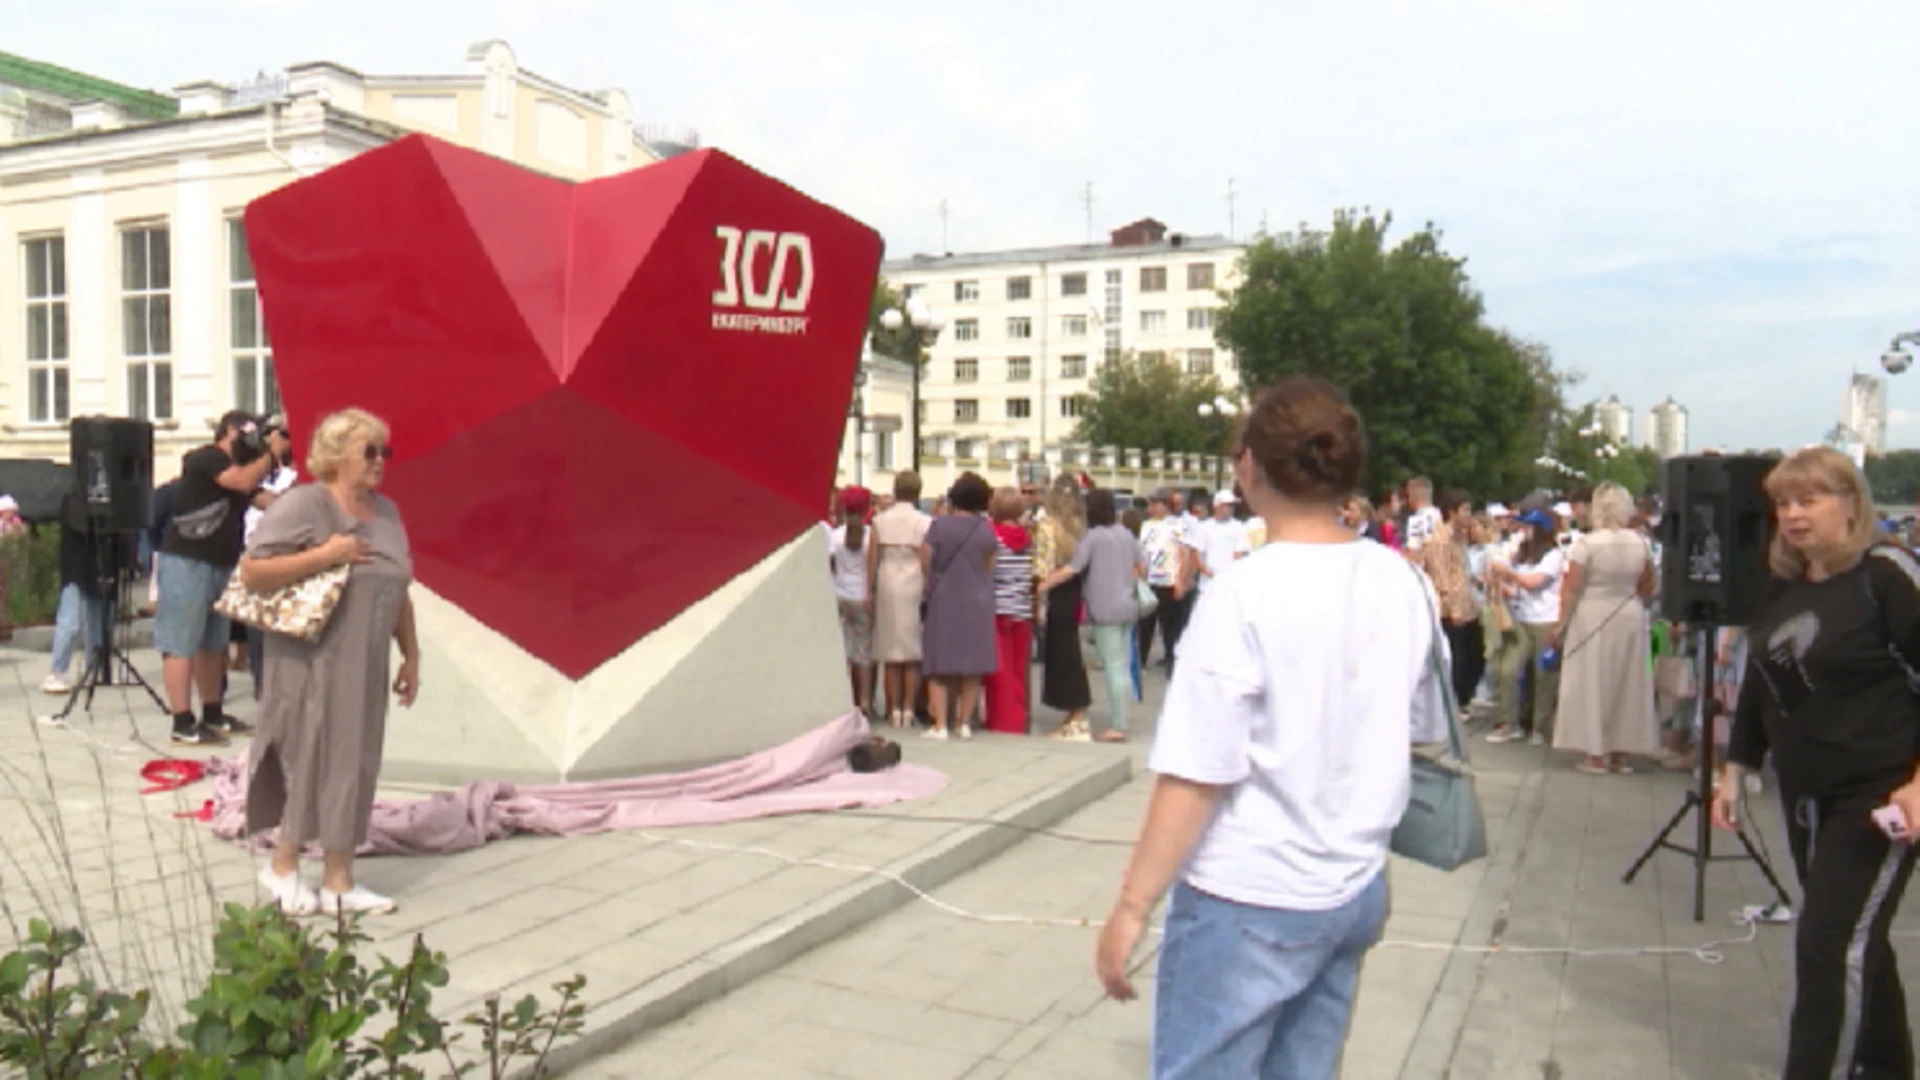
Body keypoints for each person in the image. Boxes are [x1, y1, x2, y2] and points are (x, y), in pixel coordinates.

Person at [1094, 376, 1437, 1078]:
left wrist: (1132, 904)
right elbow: (1421, 720)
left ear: (1248, 466)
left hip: (1250, 894)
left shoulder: (1244, 592)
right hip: (1354, 880)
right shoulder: (1400, 580)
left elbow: (1195, 772)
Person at [1716, 447, 1920, 1080]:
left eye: (1809, 500)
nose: (1793, 515)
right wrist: (1735, 768)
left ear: (1851, 503)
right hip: (1806, 796)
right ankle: (1885, 1065)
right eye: (1783, 503)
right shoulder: (1782, 587)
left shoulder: (1887, 577)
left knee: (1827, 945)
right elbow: (1760, 685)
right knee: (1855, 936)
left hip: (1879, 793)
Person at [242, 408, 417, 916]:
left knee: (355, 759)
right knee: (309, 752)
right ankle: (283, 865)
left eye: (385, 451)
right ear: (336, 455)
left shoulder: (387, 513)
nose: (380, 461)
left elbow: (400, 586)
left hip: (364, 660)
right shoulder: (305, 504)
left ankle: (340, 878)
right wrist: (326, 555)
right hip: (309, 659)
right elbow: (253, 571)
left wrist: (410, 653)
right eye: (370, 451)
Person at [156, 411, 281, 745]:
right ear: (229, 431)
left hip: (221, 564)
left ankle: (213, 712)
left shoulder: (240, 471)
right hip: (186, 561)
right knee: (181, 642)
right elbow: (241, 481)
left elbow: (262, 497)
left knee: (214, 644)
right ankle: (182, 721)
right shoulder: (205, 459)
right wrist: (271, 454)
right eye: (248, 435)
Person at [1552, 482, 1659, 774]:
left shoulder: (1586, 544)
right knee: (1628, 682)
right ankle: (1620, 753)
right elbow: (1649, 584)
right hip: (1629, 613)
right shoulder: (1641, 543)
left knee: (1592, 681)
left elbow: (1571, 588)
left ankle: (1594, 753)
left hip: (1592, 612)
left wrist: (1561, 624)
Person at [1040, 489, 1141, 743]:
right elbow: (1142, 564)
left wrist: (1043, 585)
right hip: (1128, 604)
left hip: (1104, 607)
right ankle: (1122, 717)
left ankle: (1118, 725)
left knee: (1113, 666)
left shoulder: (1093, 537)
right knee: (1122, 663)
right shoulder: (1125, 534)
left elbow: (1072, 568)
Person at [918, 472, 997, 739]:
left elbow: (925, 559)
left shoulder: (939, 526)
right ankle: (963, 723)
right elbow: (990, 567)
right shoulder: (986, 530)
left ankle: (939, 724)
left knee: (939, 662)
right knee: (971, 665)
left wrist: (929, 583)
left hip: (945, 597)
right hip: (978, 599)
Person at [1486, 508, 1565, 745]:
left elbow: (1533, 583)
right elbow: (1518, 587)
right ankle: (1508, 722)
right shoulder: (1520, 554)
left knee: (1543, 678)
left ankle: (1540, 727)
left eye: (1527, 528)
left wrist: (1508, 573)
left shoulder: (1553, 556)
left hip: (1545, 621)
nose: (1522, 532)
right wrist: (1502, 585)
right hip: (1519, 620)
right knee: (1507, 670)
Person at [869, 472, 931, 728]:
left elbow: (872, 557)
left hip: (887, 577)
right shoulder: (924, 521)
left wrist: (869, 587)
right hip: (912, 578)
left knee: (889, 649)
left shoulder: (880, 520)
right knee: (911, 650)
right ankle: (907, 709)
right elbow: (925, 557)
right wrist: (927, 584)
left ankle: (892, 709)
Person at [1032, 477, 1092, 738]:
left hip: (1055, 588)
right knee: (1071, 650)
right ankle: (1074, 712)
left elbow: (1042, 563)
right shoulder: (1081, 526)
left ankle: (1077, 714)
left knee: (1061, 654)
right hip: (1076, 589)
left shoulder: (1047, 525)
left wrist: (1037, 590)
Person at [983, 486, 1034, 735]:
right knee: (1018, 669)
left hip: (999, 608)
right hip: (1021, 609)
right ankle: (1018, 717)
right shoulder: (1026, 538)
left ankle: (1002, 720)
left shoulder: (993, 536)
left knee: (999, 672)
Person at [828, 487, 875, 718]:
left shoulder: (835, 536)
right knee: (863, 653)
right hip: (862, 596)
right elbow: (873, 568)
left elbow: (831, 567)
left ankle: (845, 702)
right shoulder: (870, 536)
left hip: (840, 595)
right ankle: (864, 701)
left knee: (844, 652)